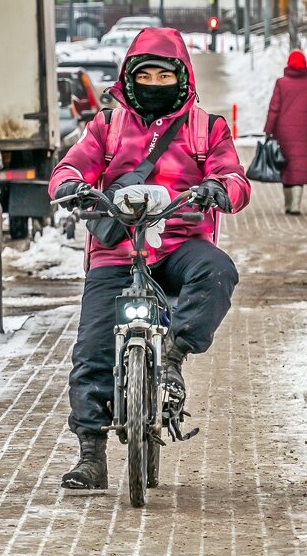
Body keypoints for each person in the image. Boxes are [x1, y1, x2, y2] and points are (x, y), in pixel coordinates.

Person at [49, 27, 251, 490]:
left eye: (165, 74)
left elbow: (235, 178)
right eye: (146, 74)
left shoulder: (208, 127)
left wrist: (217, 189)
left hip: (180, 243)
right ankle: (90, 455)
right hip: (117, 248)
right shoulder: (107, 126)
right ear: (129, 78)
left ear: (181, 78)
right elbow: (71, 165)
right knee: (92, 348)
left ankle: (175, 354)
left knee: (218, 271)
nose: (155, 83)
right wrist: (70, 186)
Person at [264, 50, 307, 215]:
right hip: (304, 132)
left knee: (286, 166)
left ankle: (288, 204)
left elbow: (274, 108)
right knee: (300, 167)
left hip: (283, 131)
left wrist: (269, 129)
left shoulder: (281, 83)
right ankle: (296, 205)